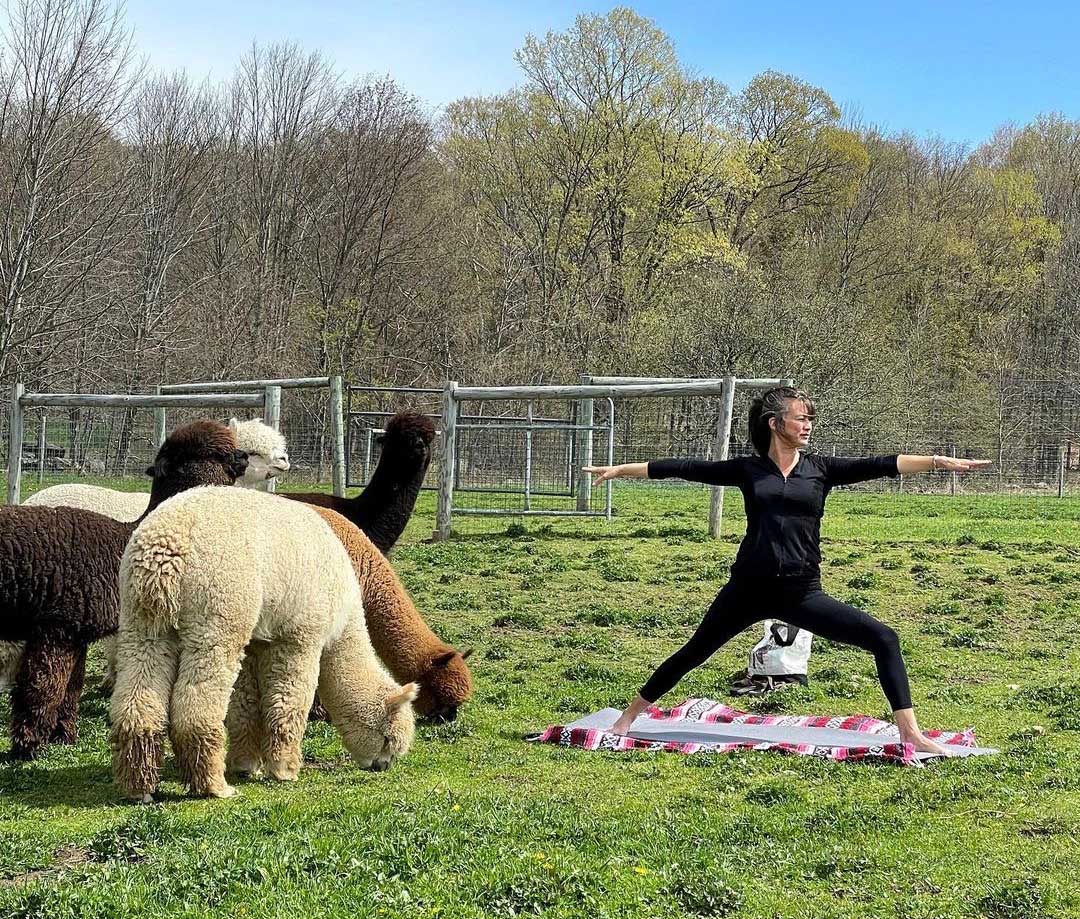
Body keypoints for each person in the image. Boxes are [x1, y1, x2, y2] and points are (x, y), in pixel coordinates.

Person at [584, 386, 990, 754]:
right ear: (776, 424)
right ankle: (627, 718)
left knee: (884, 638)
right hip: (746, 590)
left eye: (811, 418)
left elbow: (883, 463)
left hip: (801, 592)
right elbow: (683, 468)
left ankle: (910, 733)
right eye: (801, 418)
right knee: (694, 652)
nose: (808, 425)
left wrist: (938, 460)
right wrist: (620, 470)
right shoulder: (749, 470)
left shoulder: (821, 469)